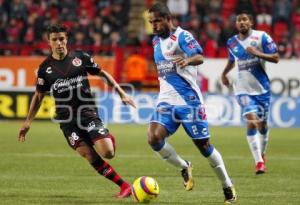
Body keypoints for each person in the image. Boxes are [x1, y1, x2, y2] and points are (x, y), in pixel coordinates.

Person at [18, 24, 136, 198]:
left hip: (87, 113)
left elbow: (103, 74)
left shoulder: (81, 57)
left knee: (108, 153)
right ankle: (124, 186)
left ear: (66, 39)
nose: (59, 43)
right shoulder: (44, 69)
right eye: (55, 39)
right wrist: (28, 122)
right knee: (89, 154)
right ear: (48, 42)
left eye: (62, 39)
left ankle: (107, 137)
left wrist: (122, 93)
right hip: (67, 121)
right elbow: (38, 96)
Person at [147, 3, 237, 204]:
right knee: (153, 138)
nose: (153, 26)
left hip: (189, 102)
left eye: (157, 21)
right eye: (150, 22)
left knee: (204, 146)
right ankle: (183, 166)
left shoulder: (182, 36)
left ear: (168, 19)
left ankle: (227, 185)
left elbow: (200, 56)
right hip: (166, 101)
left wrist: (187, 61)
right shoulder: (155, 42)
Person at [221, 11, 279, 174]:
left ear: (251, 22)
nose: (242, 22)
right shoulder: (231, 42)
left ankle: (263, 153)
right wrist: (224, 73)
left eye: (245, 19)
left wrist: (257, 53)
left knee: (262, 125)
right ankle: (259, 162)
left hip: (262, 89)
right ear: (236, 24)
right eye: (239, 20)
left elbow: (275, 57)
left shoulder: (262, 37)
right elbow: (232, 61)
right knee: (252, 121)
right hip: (242, 89)